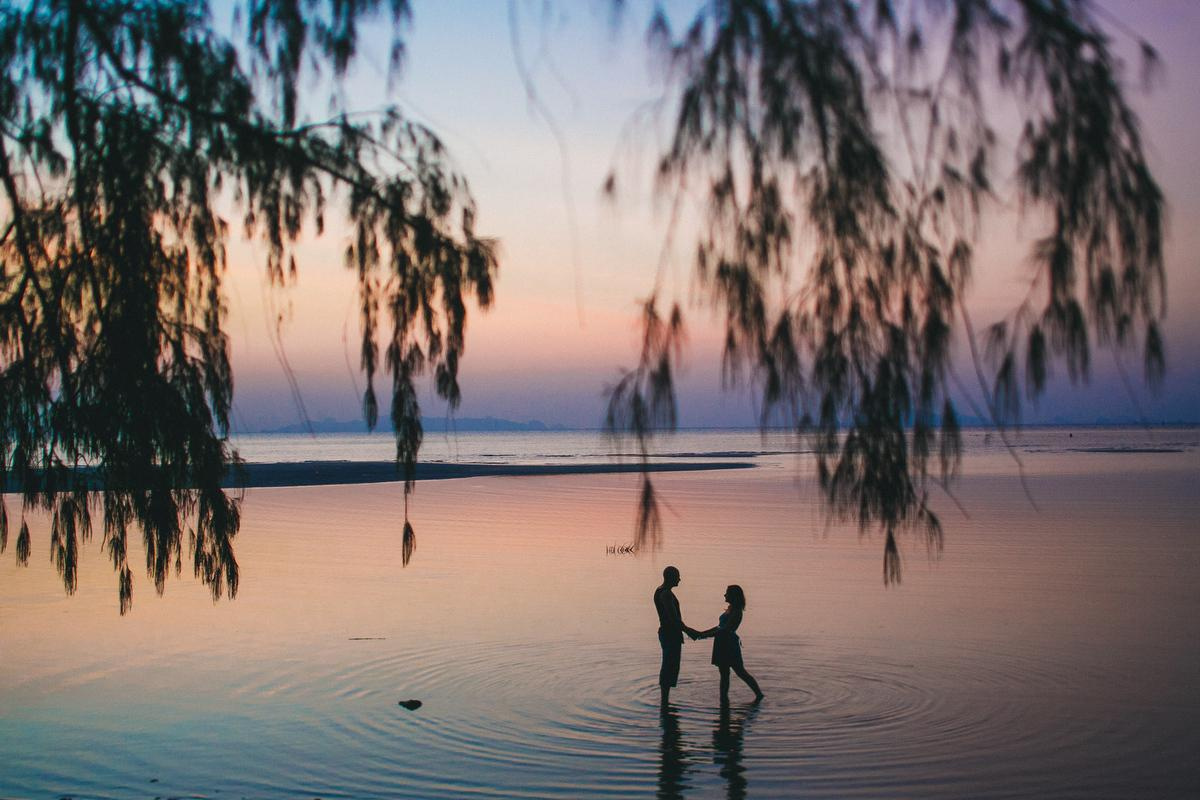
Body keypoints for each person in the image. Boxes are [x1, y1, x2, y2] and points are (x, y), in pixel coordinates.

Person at [695, 585, 764, 705]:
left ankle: (758, 694)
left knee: (740, 672)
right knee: (724, 674)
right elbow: (719, 627)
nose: (725, 595)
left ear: (733, 596)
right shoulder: (730, 609)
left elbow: (725, 630)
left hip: (729, 644)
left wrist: (703, 635)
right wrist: (701, 633)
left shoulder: (737, 611)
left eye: (727, 593)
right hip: (721, 643)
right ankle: (724, 700)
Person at [654, 566, 700, 706]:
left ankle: (665, 701)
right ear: (671, 577)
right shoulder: (666, 594)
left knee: (669, 665)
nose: (679, 579)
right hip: (670, 634)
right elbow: (673, 618)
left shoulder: (661, 591)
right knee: (669, 665)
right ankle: (664, 702)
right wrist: (689, 631)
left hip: (668, 633)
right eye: (677, 576)